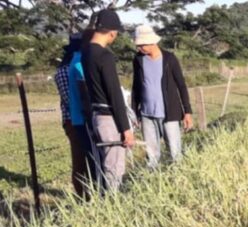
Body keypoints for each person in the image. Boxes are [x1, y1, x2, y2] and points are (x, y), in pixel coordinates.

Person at [82, 9, 134, 192]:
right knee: (115, 167)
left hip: (97, 116)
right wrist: (125, 128)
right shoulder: (105, 56)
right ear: (112, 32)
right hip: (109, 117)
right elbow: (114, 94)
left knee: (104, 165)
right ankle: (112, 207)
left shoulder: (86, 53)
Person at [131, 24, 193, 168]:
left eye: (142, 45)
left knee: (175, 153)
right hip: (146, 115)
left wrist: (187, 112)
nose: (139, 48)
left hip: (169, 114)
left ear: (153, 43)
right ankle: (153, 182)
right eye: (137, 45)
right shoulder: (138, 60)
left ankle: (179, 180)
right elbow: (136, 87)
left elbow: (181, 85)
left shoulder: (169, 59)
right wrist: (135, 112)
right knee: (152, 157)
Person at [54, 33, 94, 197]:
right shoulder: (64, 71)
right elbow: (71, 100)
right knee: (79, 160)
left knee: (90, 158)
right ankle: (81, 195)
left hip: (84, 118)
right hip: (74, 120)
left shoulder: (79, 66)